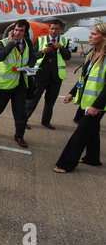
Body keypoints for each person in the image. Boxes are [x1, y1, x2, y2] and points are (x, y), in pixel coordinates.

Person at [54, 23, 106, 173]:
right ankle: (92, 158)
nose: (90, 36)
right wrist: (72, 93)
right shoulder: (92, 54)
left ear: (104, 37)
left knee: (81, 133)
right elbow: (84, 78)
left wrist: (96, 106)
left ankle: (66, 163)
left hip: (97, 104)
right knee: (93, 131)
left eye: (94, 34)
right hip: (87, 102)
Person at [0, 19, 36, 148]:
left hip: (20, 83)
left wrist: (29, 66)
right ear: (13, 30)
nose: (18, 33)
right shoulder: (3, 43)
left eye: (21, 31)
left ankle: (19, 136)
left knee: (20, 113)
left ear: (25, 32)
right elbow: (0, 56)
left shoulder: (27, 43)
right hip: (4, 84)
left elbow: (32, 58)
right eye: (16, 30)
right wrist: (11, 43)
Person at [25, 19, 71, 130]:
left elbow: (67, 57)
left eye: (56, 29)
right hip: (40, 75)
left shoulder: (64, 41)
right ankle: (24, 119)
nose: (53, 31)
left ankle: (46, 121)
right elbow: (33, 55)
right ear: (49, 29)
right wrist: (42, 52)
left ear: (60, 29)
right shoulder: (41, 40)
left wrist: (61, 48)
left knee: (50, 101)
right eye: (52, 28)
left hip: (55, 76)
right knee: (32, 100)